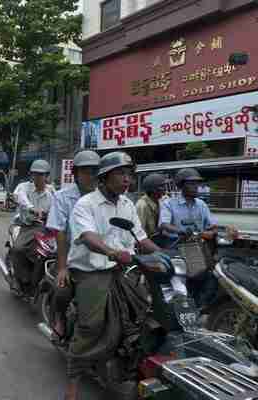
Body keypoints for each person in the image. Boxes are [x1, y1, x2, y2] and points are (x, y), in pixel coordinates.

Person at [64, 152, 161, 400]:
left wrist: (165, 255)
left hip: (121, 270)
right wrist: (112, 252)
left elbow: (141, 238)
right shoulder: (86, 204)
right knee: (91, 326)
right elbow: (88, 237)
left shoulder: (127, 204)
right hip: (90, 271)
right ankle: (73, 381)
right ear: (104, 178)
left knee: (143, 311)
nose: (127, 179)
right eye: (121, 174)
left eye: (129, 174)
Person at [46, 150, 100, 339]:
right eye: (86, 171)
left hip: (100, 256)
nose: (91, 176)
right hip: (69, 255)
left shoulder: (102, 197)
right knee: (62, 290)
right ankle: (59, 318)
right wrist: (62, 267)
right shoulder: (62, 197)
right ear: (76, 174)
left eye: (95, 171)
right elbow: (59, 232)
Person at [159, 167, 218, 308]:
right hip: (176, 247)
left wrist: (212, 232)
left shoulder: (201, 205)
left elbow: (212, 226)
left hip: (197, 249)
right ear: (181, 185)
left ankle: (199, 307)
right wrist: (180, 231)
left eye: (197, 183)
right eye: (191, 184)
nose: (196, 187)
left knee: (212, 276)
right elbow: (164, 224)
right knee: (180, 283)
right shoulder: (169, 204)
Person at [11, 159, 55, 295]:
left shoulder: (52, 192)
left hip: (46, 228)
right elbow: (20, 197)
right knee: (18, 249)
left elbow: (58, 207)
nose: (38, 177)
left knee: (50, 253)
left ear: (47, 176)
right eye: (35, 174)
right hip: (26, 225)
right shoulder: (24, 187)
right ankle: (20, 280)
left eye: (41, 175)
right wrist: (32, 209)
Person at [136, 173, 167, 239]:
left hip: (162, 237)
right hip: (149, 240)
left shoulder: (163, 200)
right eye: (162, 186)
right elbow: (139, 230)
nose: (165, 188)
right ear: (153, 189)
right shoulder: (142, 205)